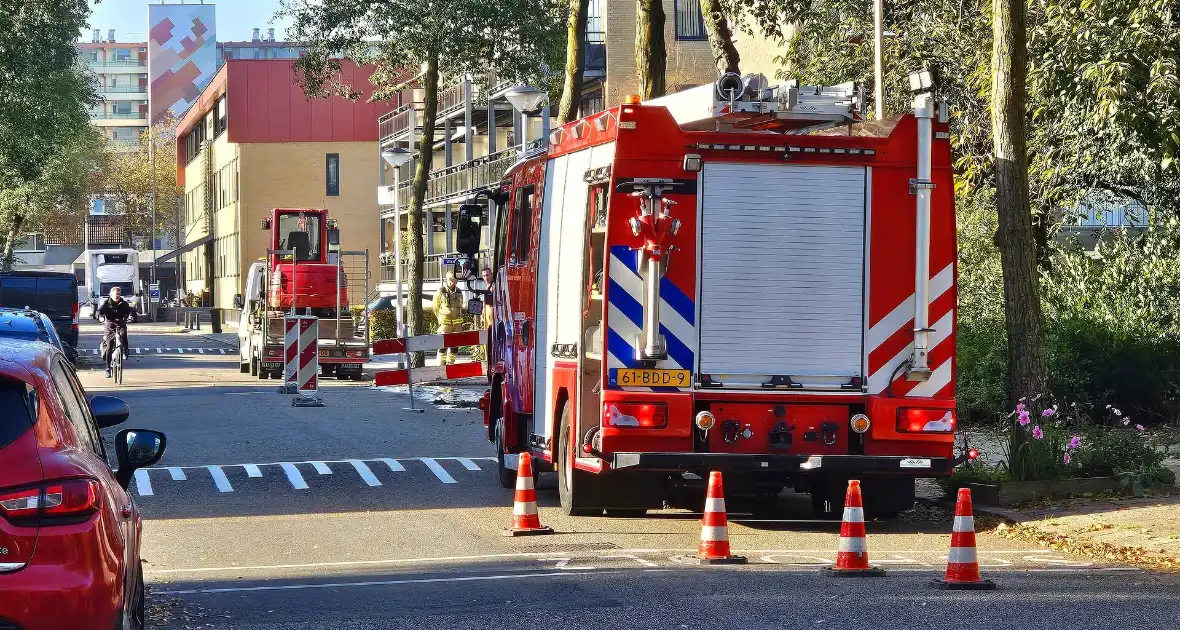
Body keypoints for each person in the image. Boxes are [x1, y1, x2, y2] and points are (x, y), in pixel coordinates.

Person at [97, 287, 133, 378]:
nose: (117, 296)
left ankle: (125, 350)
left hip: (120, 324)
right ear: (111, 295)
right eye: (115, 294)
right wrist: (100, 317)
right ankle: (108, 368)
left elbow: (129, 311)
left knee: (123, 334)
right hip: (109, 326)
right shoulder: (107, 303)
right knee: (110, 346)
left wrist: (128, 316)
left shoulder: (123, 303)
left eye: (118, 294)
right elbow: (99, 312)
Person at [432, 271, 465, 365]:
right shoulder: (441, 291)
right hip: (445, 323)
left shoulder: (459, 291)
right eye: (450, 279)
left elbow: (461, 305)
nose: (452, 281)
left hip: (457, 324)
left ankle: (451, 363)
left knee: (455, 345)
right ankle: (441, 363)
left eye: (454, 279)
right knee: (443, 344)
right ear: (447, 279)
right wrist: (440, 316)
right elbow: (435, 306)